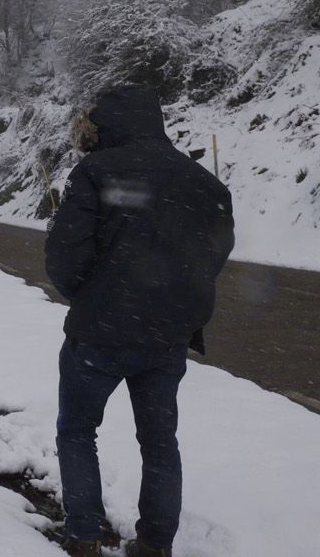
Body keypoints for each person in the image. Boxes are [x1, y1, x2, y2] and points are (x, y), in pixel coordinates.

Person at [44, 84, 235, 557]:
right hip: (166, 337)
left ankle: (84, 536)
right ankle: (155, 544)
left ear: (105, 124)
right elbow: (215, 253)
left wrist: (91, 296)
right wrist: (176, 300)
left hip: (99, 333)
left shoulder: (95, 171)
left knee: (76, 429)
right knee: (159, 440)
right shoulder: (204, 182)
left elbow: (65, 254)